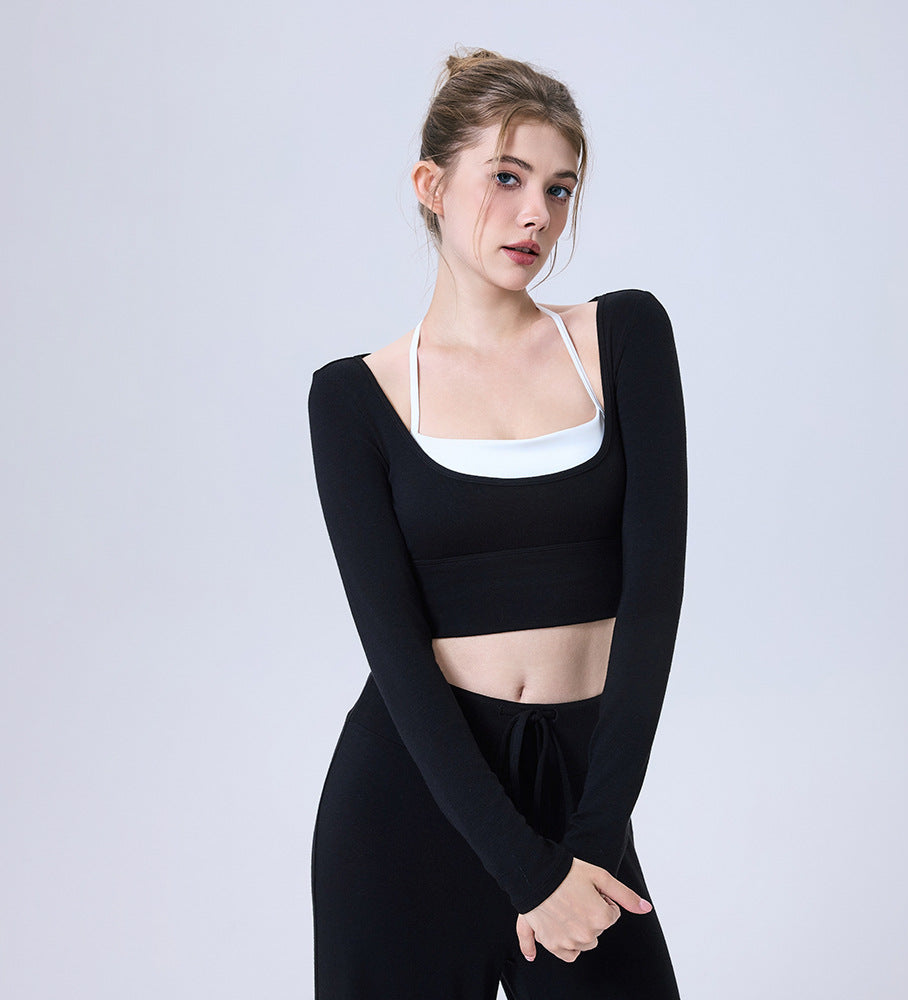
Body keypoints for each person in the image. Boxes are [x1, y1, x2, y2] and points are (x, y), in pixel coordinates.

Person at [307, 46, 687, 999]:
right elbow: (395, 652)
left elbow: (653, 601)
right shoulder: (354, 399)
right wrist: (527, 874)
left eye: (560, 189)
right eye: (508, 178)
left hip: (583, 804)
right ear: (432, 186)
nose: (537, 216)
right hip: (411, 805)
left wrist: (588, 845)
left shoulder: (625, 338)